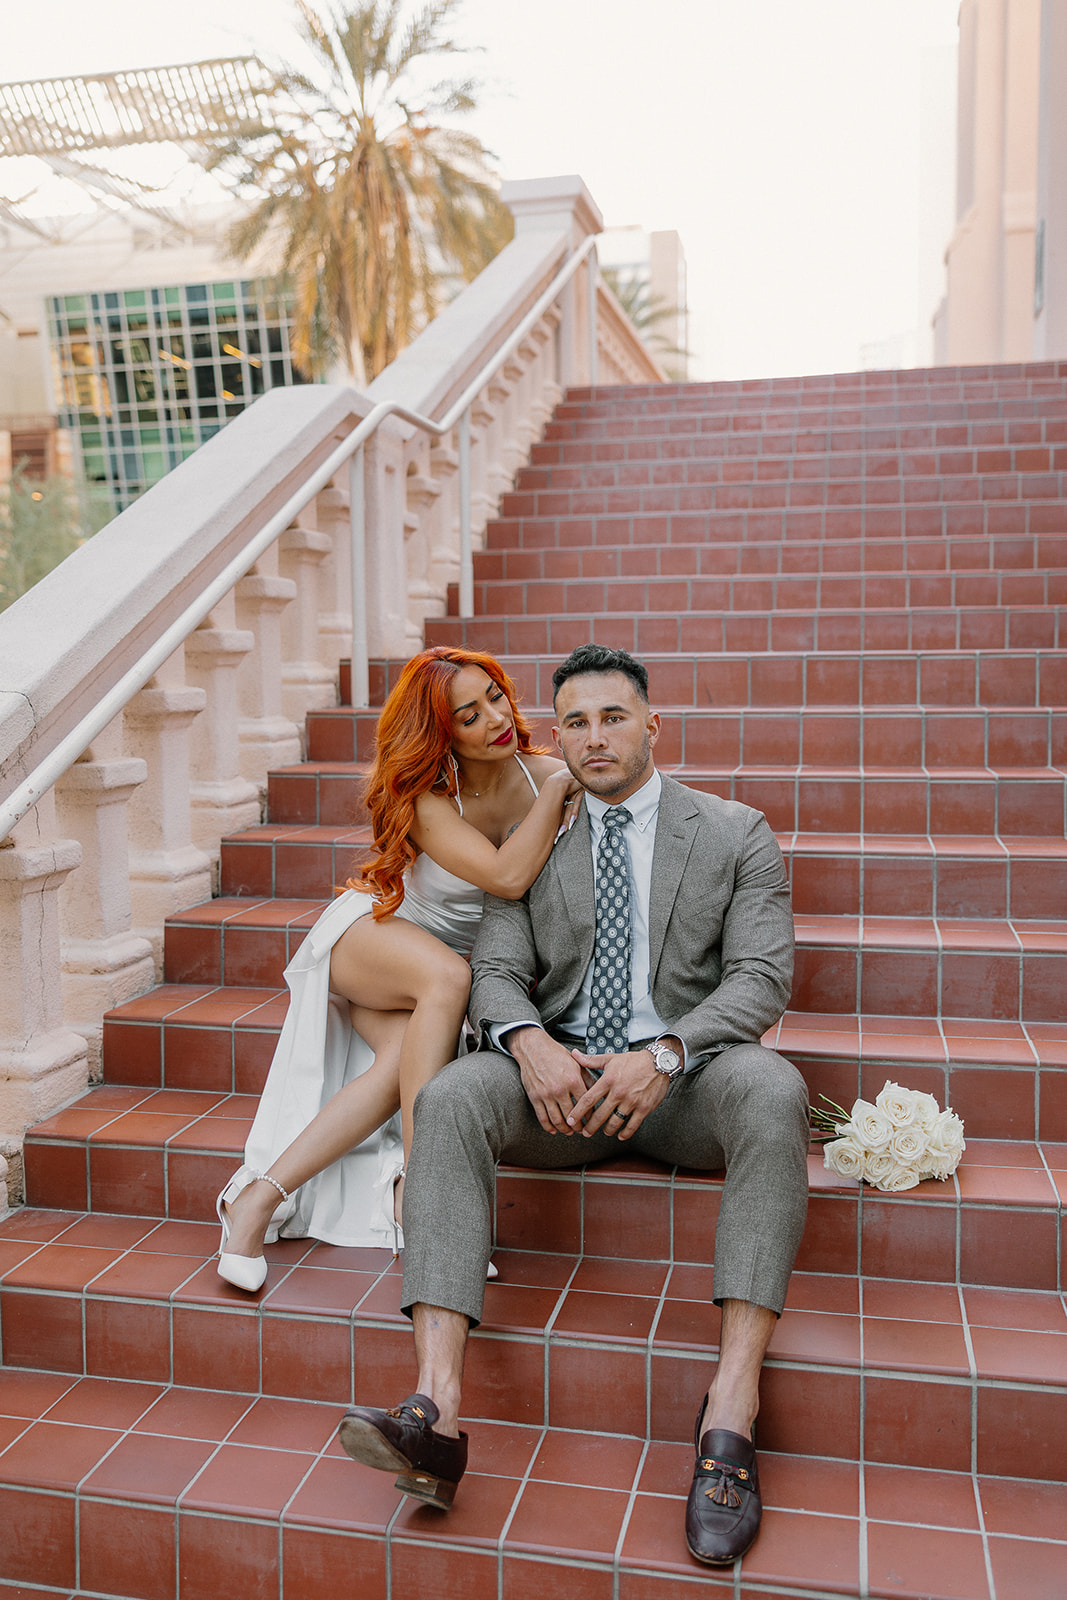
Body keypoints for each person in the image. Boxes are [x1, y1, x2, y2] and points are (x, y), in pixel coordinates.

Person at [337, 643, 809, 1568]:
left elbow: (761, 979)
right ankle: (435, 1408)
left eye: (613, 717)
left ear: (650, 724)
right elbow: (500, 971)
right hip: (556, 1092)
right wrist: (527, 1043)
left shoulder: (731, 831)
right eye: (577, 723)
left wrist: (665, 1054)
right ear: (559, 735)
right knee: (454, 1094)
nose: (595, 738)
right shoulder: (539, 837)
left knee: (774, 1090)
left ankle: (731, 1414)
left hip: (682, 1088)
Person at [215, 645, 579, 1292]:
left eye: (494, 695)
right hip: (375, 937)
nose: (494, 717)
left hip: (436, 967)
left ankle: (257, 1203)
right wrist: (556, 789)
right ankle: (424, 1193)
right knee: (447, 978)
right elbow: (506, 875)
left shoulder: (538, 772)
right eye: (468, 715)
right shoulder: (432, 801)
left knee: (392, 1070)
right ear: (442, 733)